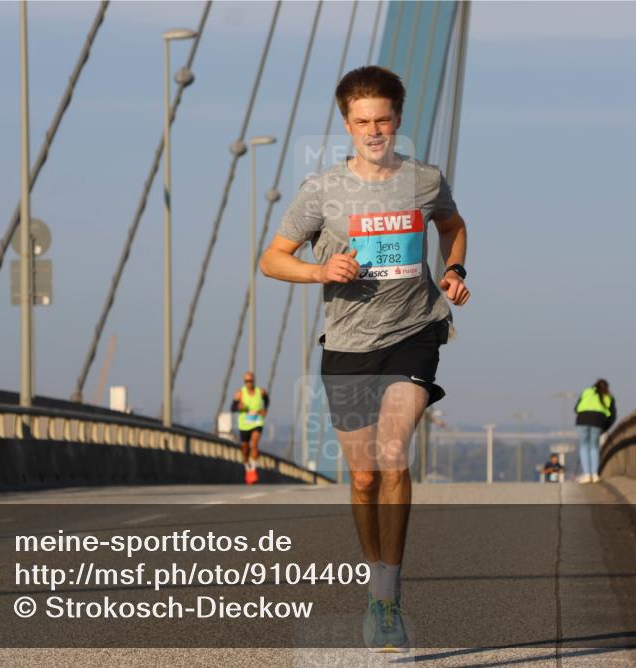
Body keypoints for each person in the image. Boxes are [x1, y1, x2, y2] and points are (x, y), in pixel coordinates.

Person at [260, 65, 469, 653]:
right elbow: (271, 259)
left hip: (415, 332)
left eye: (382, 120)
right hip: (348, 344)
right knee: (363, 476)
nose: (373, 131)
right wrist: (319, 270)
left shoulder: (424, 181)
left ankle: (388, 597)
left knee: (394, 454)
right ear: (346, 124)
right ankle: (373, 582)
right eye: (361, 122)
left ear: (397, 120)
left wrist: (454, 270)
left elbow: (454, 226)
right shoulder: (322, 191)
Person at [230, 372, 269, 485]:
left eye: (250, 381)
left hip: (257, 422)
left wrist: (264, 410)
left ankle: (252, 470)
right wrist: (238, 406)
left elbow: (267, 400)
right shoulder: (240, 393)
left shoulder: (260, 392)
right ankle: (247, 467)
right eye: (246, 381)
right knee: (245, 448)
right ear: (244, 382)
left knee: (254, 444)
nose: (249, 383)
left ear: (254, 381)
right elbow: (232, 408)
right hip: (244, 424)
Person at [574, 379, 616, 483]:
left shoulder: (587, 392)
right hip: (598, 421)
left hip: (582, 419)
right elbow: (612, 416)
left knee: (584, 447)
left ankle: (587, 474)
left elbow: (576, 408)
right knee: (594, 447)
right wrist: (604, 428)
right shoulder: (609, 396)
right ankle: (594, 474)